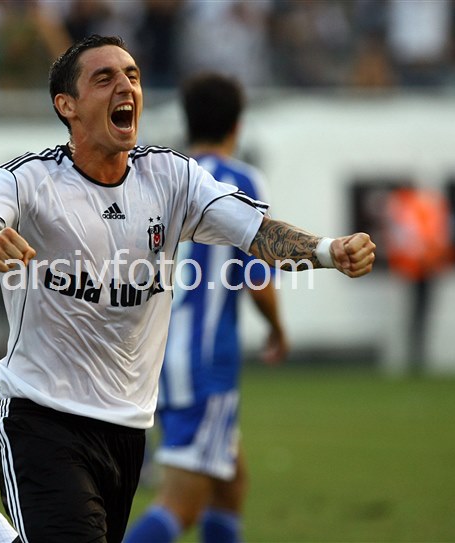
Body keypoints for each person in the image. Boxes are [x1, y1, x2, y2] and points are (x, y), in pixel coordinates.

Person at [0, 34, 376, 543]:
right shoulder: (26, 180)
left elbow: (257, 233)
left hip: (128, 429)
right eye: (105, 78)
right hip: (40, 418)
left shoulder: (171, 177)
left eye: (132, 75)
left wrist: (328, 250)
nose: (126, 86)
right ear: (67, 105)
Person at [124, 72, 288, 543]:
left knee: (229, 486)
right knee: (182, 503)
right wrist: (278, 329)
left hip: (151, 357)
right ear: (237, 125)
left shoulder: (160, 177)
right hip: (202, 363)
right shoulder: (239, 180)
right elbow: (258, 279)